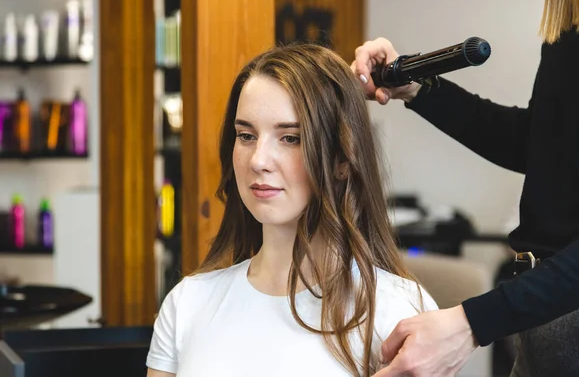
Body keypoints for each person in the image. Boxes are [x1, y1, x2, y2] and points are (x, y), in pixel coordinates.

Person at [352, 0, 579, 376]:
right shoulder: (577, 15)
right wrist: (417, 88)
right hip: (540, 312)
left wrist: (471, 323)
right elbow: (542, 145)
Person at [145, 43, 438, 377]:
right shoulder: (187, 304)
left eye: (290, 138)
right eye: (246, 135)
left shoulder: (396, 311)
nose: (258, 160)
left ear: (342, 160)